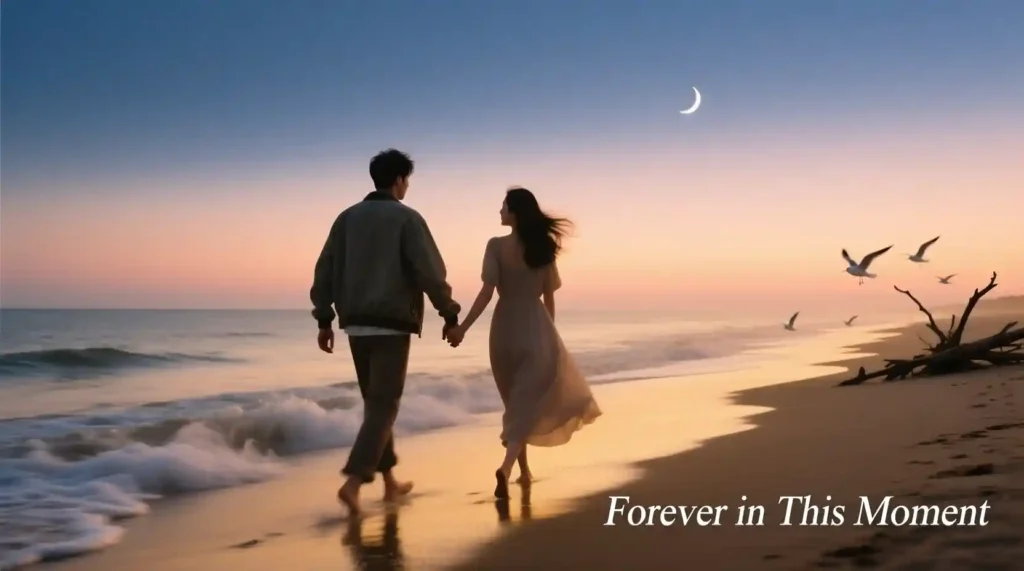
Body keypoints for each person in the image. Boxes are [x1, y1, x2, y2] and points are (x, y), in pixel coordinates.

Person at [310, 148, 462, 516]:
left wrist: (324, 319)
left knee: (376, 404)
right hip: (391, 324)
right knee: (383, 405)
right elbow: (429, 272)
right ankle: (353, 482)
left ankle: (390, 482)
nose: (407, 186)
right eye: (407, 180)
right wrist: (449, 313)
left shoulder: (346, 219)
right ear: (399, 180)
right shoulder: (406, 218)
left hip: (355, 324)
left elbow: (324, 269)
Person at [446, 187, 601, 499]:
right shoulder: (542, 248)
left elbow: (486, 293)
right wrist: (549, 334)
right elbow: (549, 297)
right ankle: (507, 469)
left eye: (503, 206)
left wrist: (462, 328)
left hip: (503, 330)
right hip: (535, 327)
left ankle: (524, 471)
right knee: (523, 405)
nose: (500, 211)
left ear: (515, 212)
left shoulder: (495, 246)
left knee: (515, 405)